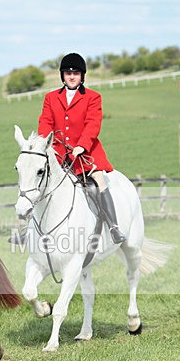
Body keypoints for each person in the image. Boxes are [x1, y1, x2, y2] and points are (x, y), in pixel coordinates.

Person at [38, 52, 126, 244]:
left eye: (76, 73)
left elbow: (93, 124)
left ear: (82, 75)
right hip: (58, 154)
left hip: (86, 154)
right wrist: (44, 144)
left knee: (99, 180)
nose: (71, 76)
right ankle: (28, 227)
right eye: (68, 73)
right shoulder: (51, 98)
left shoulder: (93, 97)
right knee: (38, 180)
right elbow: (45, 122)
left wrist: (82, 145)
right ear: (62, 75)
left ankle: (114, 227)